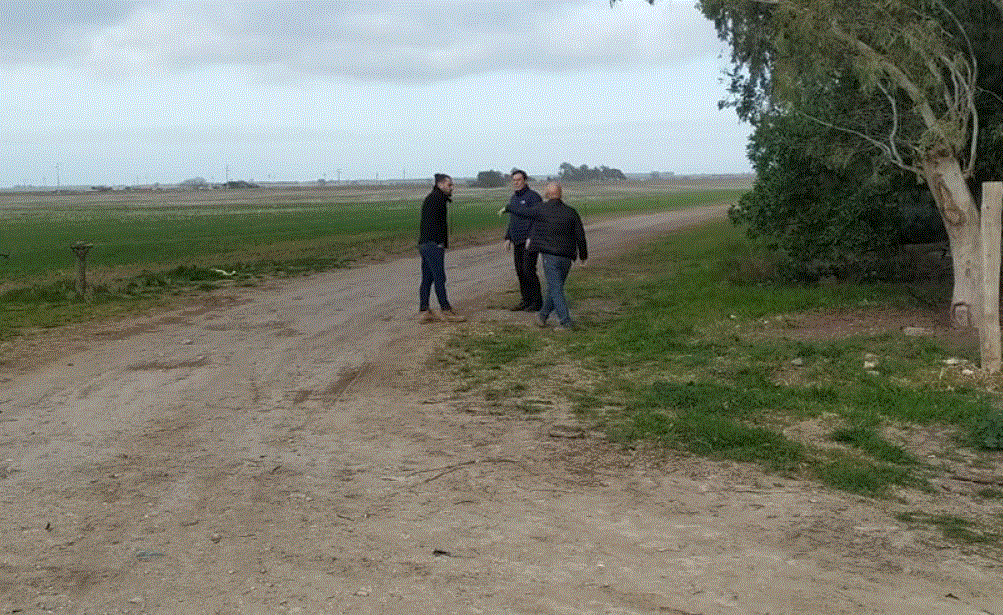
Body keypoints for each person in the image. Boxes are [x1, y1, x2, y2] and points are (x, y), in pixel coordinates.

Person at [503, 182, 587, 330]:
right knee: (555, 288)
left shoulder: (541, 209)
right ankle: (542, 316)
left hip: (550, 257)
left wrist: (509, 208)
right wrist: (583, 255)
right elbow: (580, 235)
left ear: (548, 194)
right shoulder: (571, 212)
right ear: (561, 194)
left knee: (556, 289)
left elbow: (524, 212)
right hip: (567, 257)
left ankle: (566, 323)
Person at [417, 173, 465, 323]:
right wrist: (439, 242)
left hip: (425, 243)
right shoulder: (437, 199)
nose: (452, 188)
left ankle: (424, 310)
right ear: (440, 184)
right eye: (449, 185)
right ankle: (445, 309)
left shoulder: (434, 198)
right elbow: (433, 225)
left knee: (427, 277)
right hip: (432, 244)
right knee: (439, 277)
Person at [501, 169, 542, 311]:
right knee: (520, 271)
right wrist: (508, 237)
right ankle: (526, 300)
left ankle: (537, 302)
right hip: (517, 240)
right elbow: (512, 219)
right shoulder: (513, 199)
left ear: (525, 180)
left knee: (528, 270)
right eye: (514, 180)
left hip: (529, 241)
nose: (516, 183)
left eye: (519, 180)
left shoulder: (533, 197)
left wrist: (532, 236)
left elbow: (537, 218)